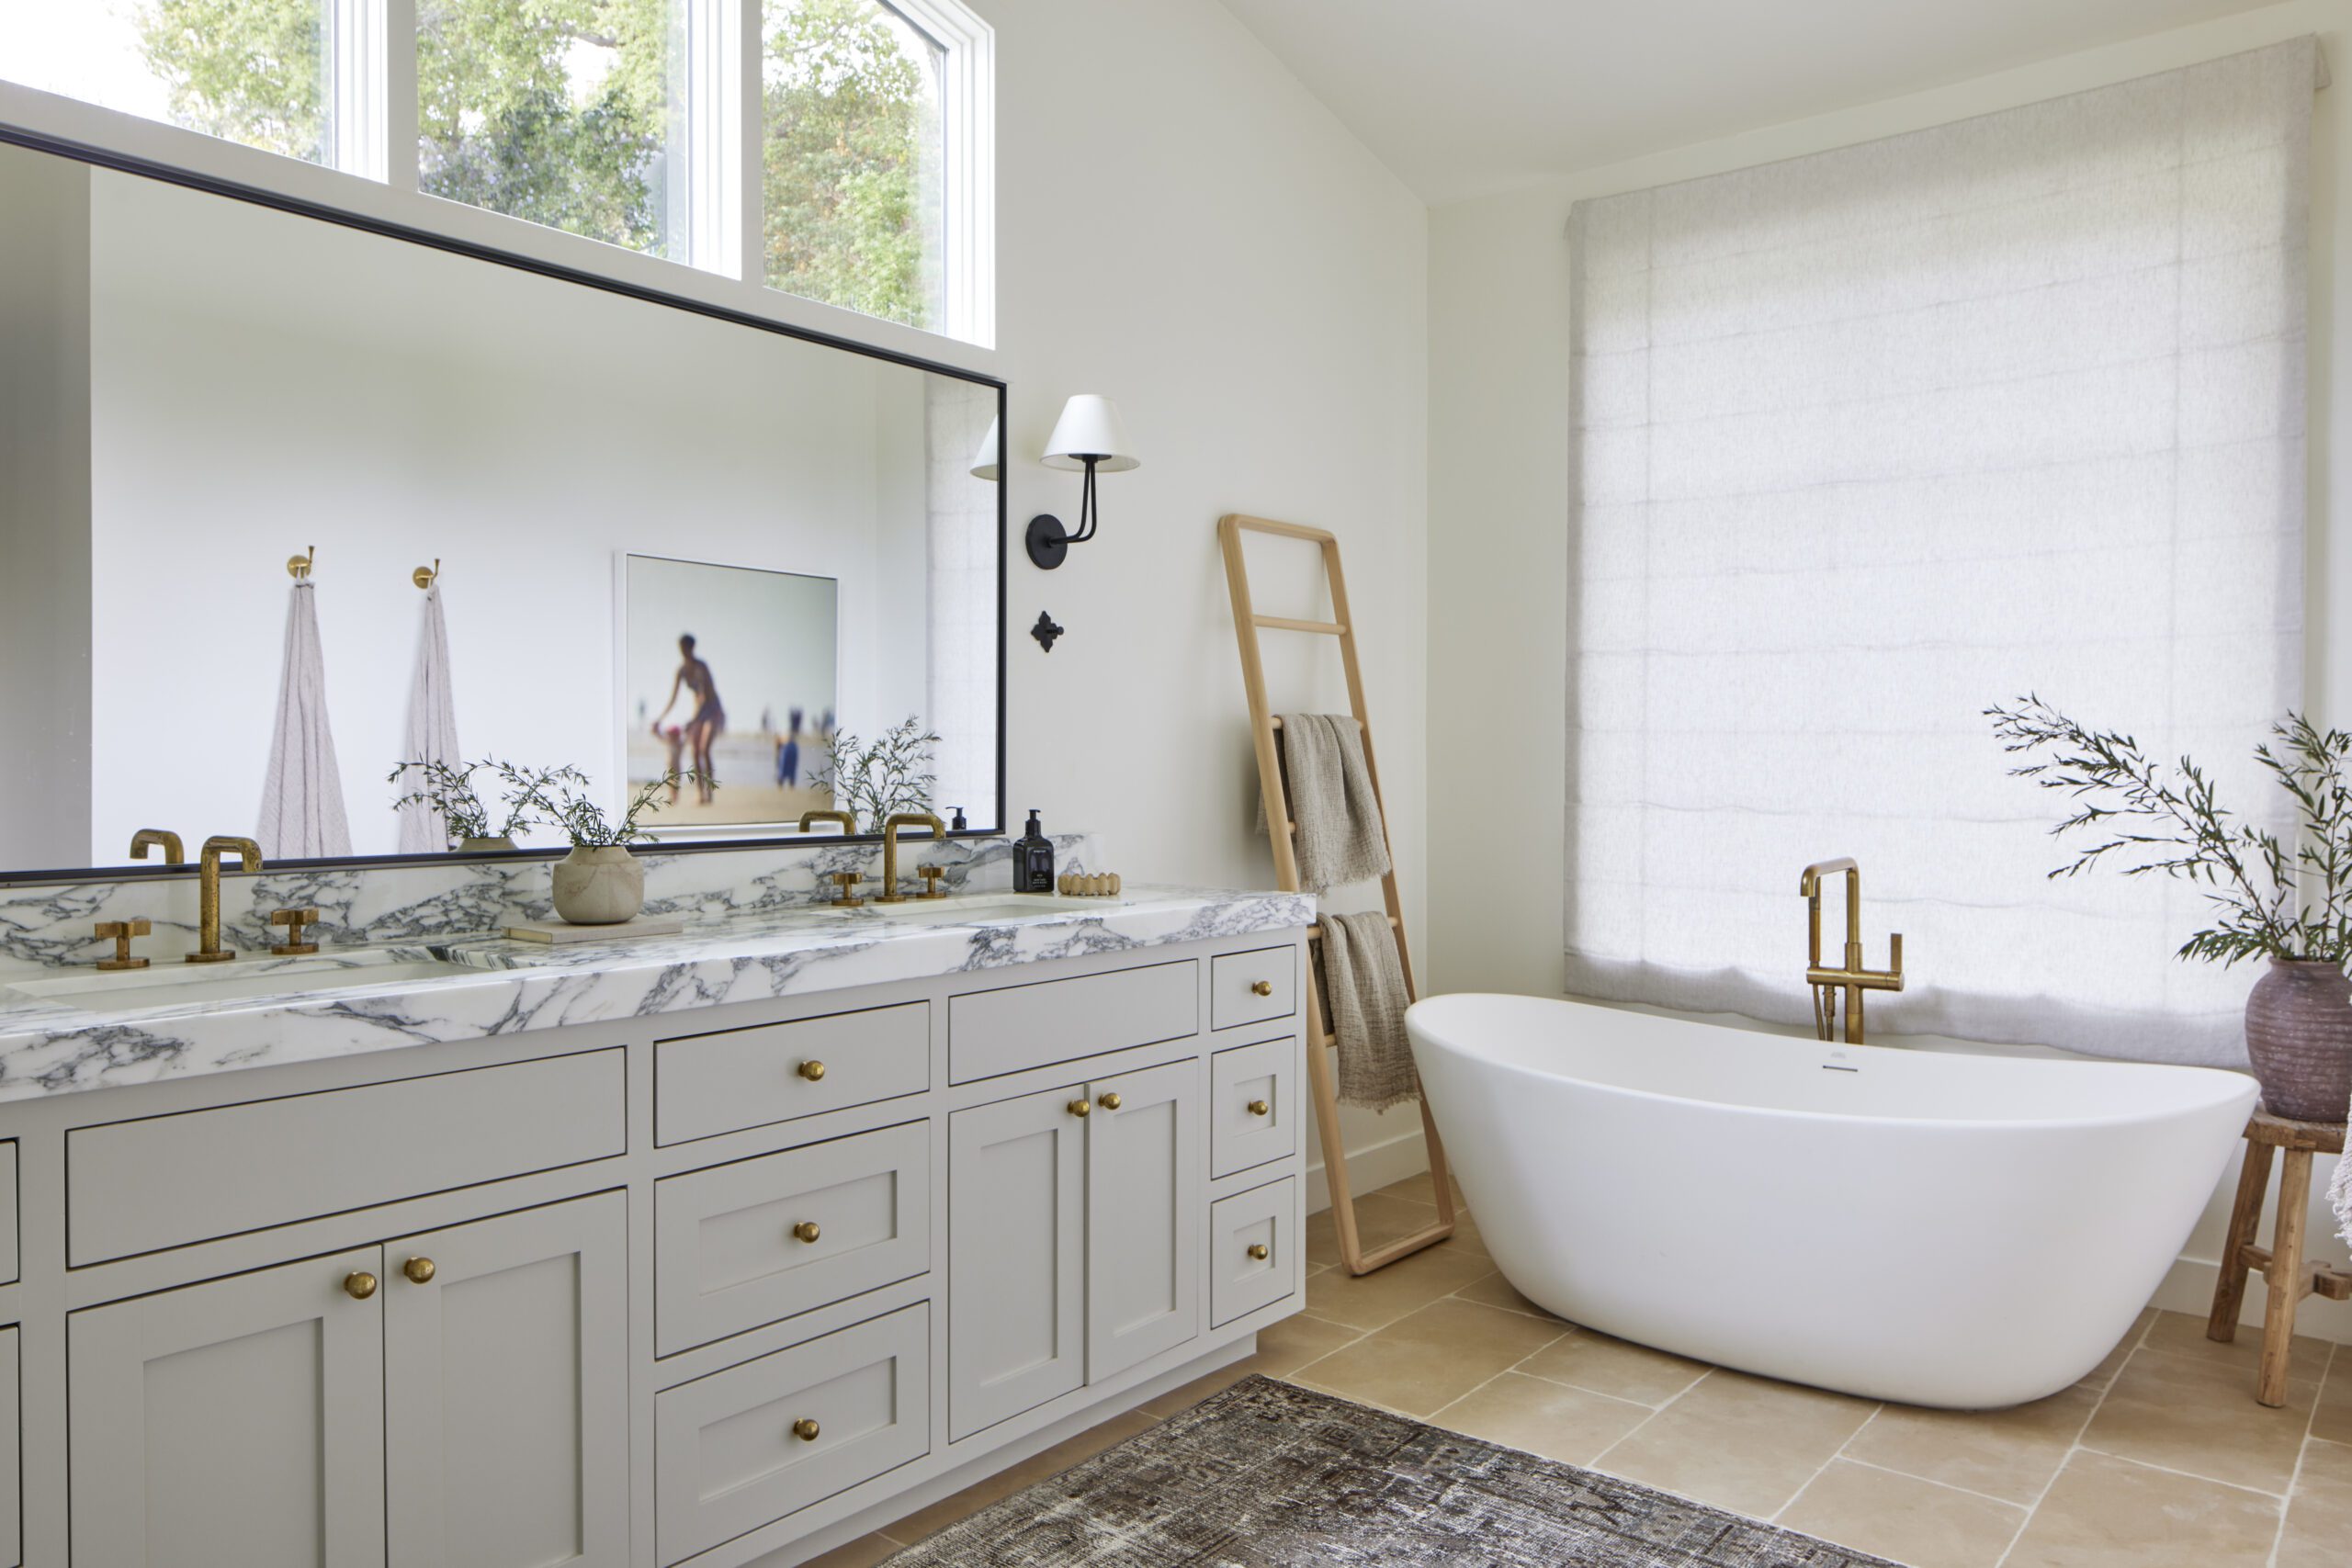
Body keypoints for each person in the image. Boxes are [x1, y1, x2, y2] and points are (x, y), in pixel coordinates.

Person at [652, 633, 724, 806]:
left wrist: (695, 719)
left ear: (692, 648)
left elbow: (707, 695)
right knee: (694, 751)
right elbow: (673, 698)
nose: (684, 651)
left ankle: (710, 793)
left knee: (704, 748)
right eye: (682, 648)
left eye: (686, 648)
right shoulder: (681, 671)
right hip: (698, 710)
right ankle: (701, 793)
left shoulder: (702, 667)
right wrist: (659, 718)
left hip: (712, 709)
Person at [776, 706, 804, 789]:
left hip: (787, 747)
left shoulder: (786, 728)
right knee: (791, 768)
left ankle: (785, 782)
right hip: (791, 747)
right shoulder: (790, 726)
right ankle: (790, 783)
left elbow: (779, 744)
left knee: (784, 767)